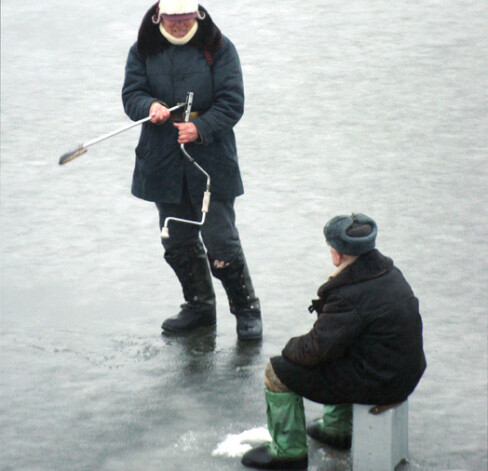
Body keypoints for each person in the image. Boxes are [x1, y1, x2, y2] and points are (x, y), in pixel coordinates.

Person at [122, 0, 262, 341]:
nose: (180, 25)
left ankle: (247, 311)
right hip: (161, 159)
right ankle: (199, 308)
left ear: (197, 14)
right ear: (160, 17)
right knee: (176, 239)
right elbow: (132, 95)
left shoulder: (220, 48)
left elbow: (232, 102)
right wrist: (150, 105)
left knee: (221, 241)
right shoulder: (142, 49)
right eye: (173, 19)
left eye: (185, 18)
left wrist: (201, 128)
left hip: (211, 158)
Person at [241, 214, 427, 470]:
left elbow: (314, 349)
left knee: (278, 371)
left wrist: (287, 350)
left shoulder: (349, 294)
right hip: (403, 374)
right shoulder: (390, 274)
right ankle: (337, 429)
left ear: (337, 254)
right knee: (343, 348)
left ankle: (287, 453)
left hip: (380, 383)